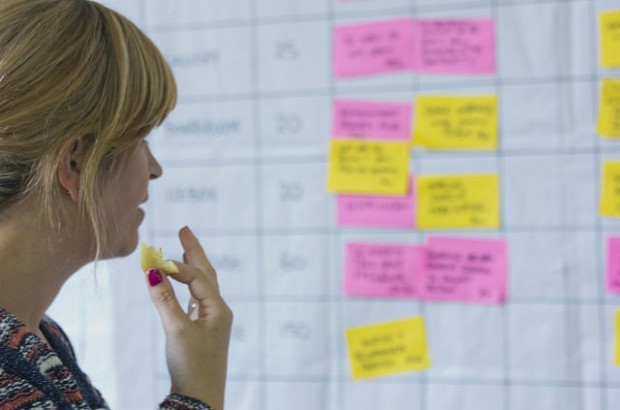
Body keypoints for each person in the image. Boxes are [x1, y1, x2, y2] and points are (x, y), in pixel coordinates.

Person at [0, 0, 233, 409]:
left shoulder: (37, 338)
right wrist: (199, 389)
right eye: (141, 140)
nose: (155, 169)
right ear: (76, 163)